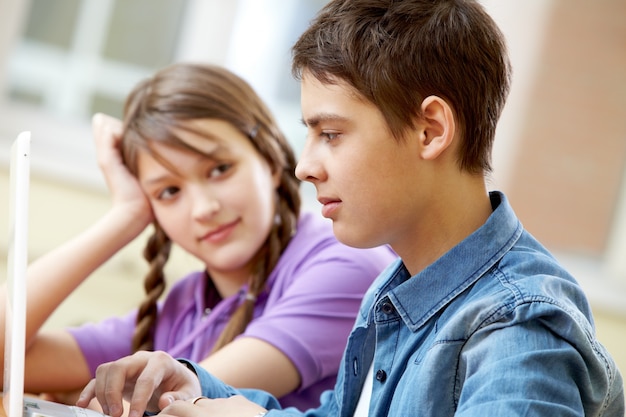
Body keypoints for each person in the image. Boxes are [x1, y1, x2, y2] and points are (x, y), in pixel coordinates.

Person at [76, 1, 625, 416]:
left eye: (331, 134)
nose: (305, 166)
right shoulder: (398, 287)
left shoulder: (519, 327)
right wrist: (196, 387)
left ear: (430, 130)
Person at [0, 63, 397, 410]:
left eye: (219, 169)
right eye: (168, 192)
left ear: (271, 158)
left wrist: (83, 396)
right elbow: (7, 359)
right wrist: (125, 217)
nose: (203, 208)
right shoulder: (184, 306)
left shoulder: (346, 265)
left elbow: (178, 399)